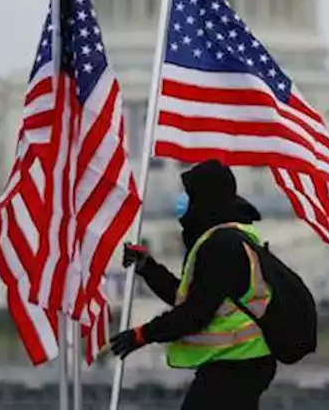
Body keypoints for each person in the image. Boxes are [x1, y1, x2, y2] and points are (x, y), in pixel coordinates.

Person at [108, 159, 277, 410]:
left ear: (204, 200)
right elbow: (192, 299)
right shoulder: (228, 238)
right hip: (242, 361)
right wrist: (148, 268)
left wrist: (143, 335)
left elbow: (195, 313)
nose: (182, 201)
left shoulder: (221, 246)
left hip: (235, 362)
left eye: (189, 195)